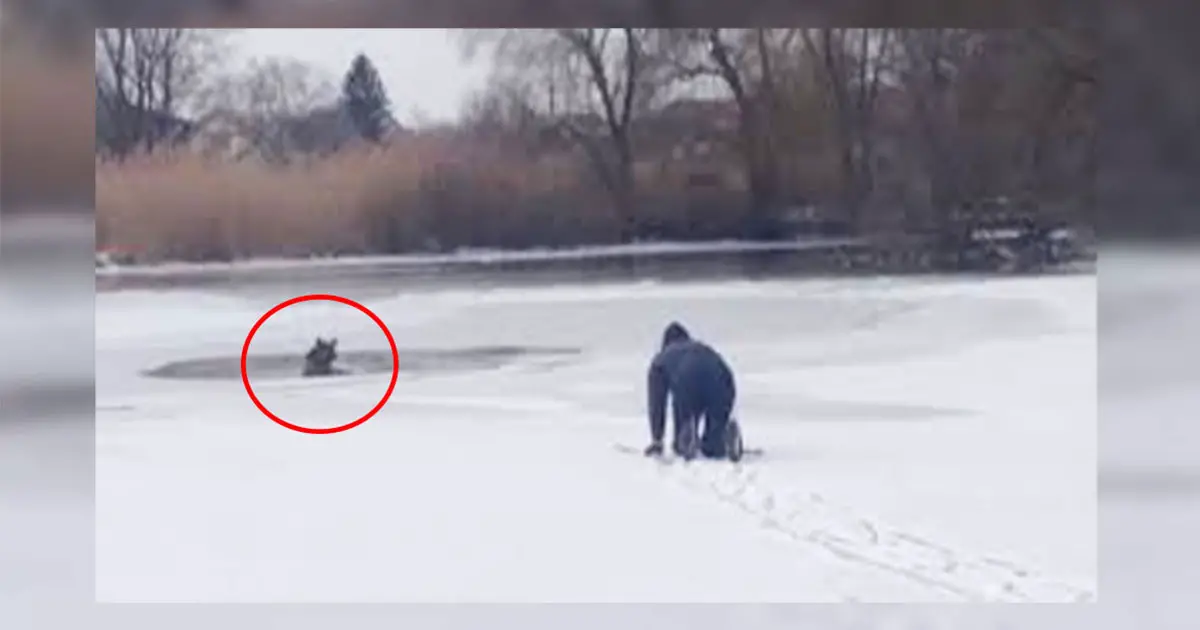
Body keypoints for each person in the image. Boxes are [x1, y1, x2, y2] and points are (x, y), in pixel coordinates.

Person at [645, 321, 738, 460]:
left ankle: (685, 440)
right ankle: (721, 439)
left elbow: (657, 402)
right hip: (722, 376)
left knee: (683, 434)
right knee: (713, 445)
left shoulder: (661, 359)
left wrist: (657, 439)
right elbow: (726, 378)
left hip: (687, 378)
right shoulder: (701, 347)